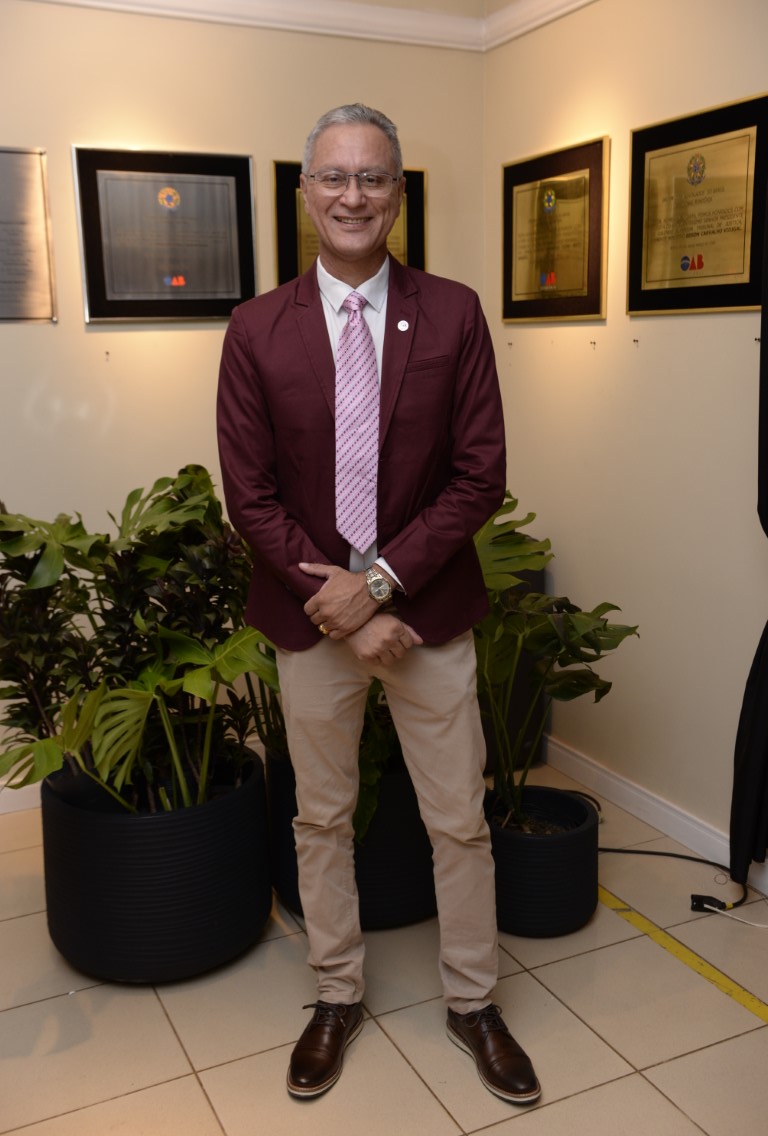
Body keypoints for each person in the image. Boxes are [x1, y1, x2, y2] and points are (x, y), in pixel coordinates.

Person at [216, 103, 540, 1106]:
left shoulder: (454, 313)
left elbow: (479, 475)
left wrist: (382, 585)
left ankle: (473, 1002)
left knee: (459, 821)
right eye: (334, 176)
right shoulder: (255, 328)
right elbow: (249, 494)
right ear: (305, 193)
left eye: (372, 177)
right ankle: (336, 993)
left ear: (398, 193)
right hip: (311, 618)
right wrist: (345, 605)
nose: (352, 195)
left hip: (425, 614)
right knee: (322, 819)